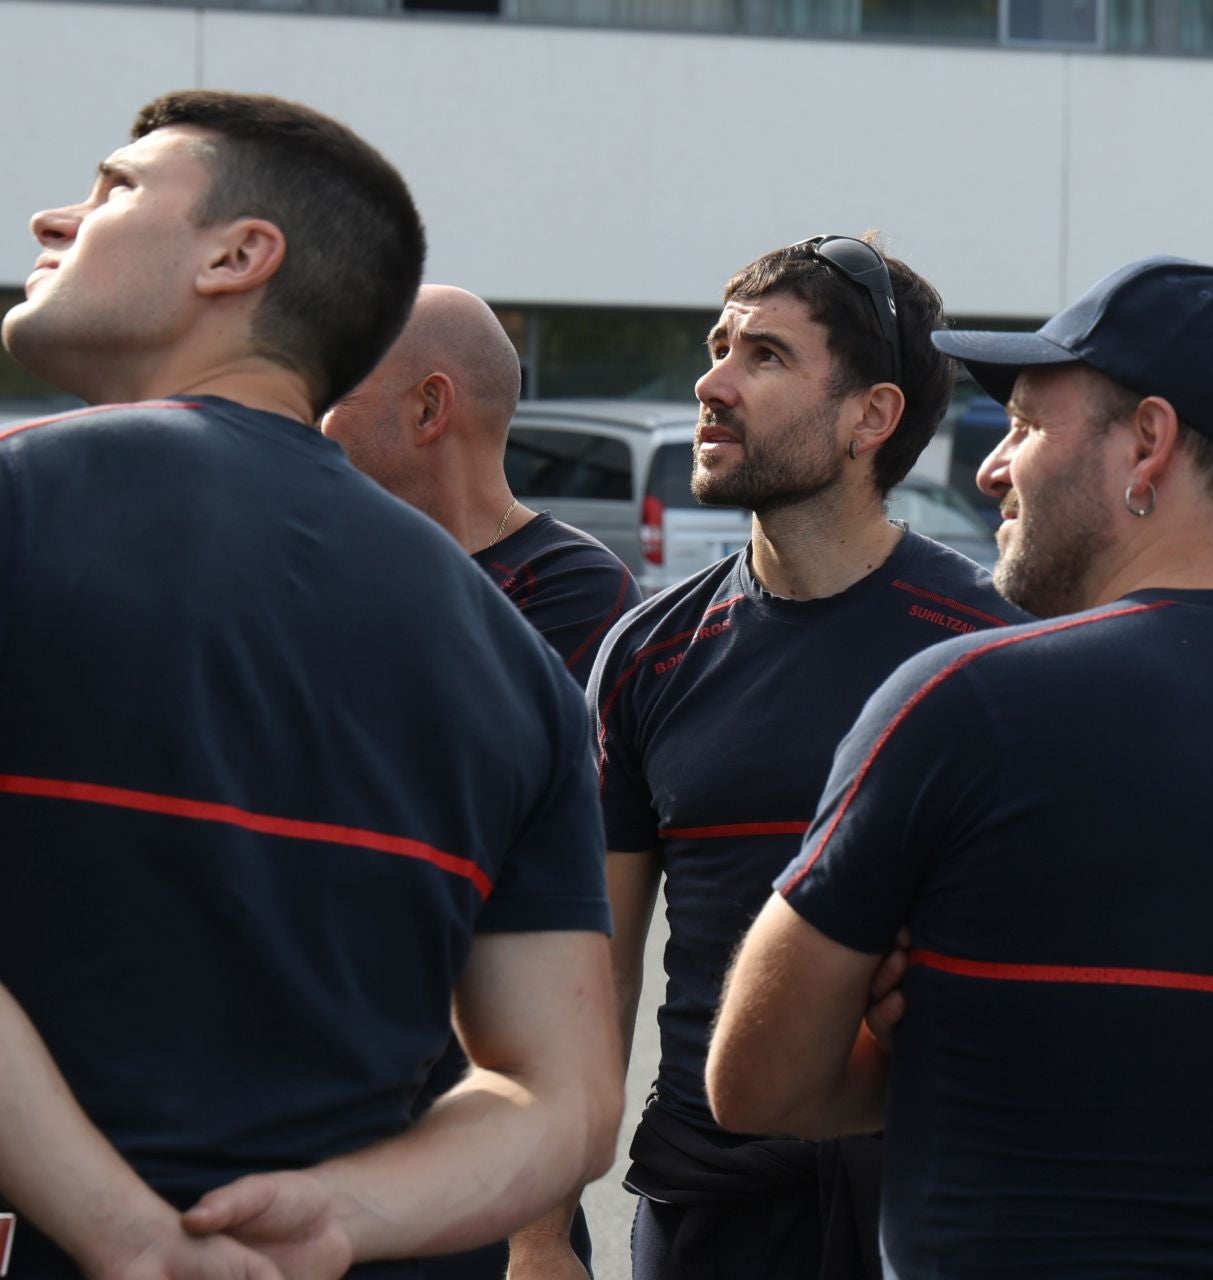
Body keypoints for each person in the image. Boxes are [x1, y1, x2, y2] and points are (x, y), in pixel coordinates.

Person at [704, 255, 1213, 1277]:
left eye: (1028, 426)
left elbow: (753, 1079)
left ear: (1147, 444)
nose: (993, 468)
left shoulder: (963, 704)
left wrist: (929, 1036)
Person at [0, 90, 622, 1278]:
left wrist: (124, 1233)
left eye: (115, 188)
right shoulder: (508, 655)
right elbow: (570, 1098)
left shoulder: (22, 505)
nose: (54, 217)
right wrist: (341, 1214)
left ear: (240, 257)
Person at [509, 234, 1020, 1280]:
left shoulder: (986, 647)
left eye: (765, 356)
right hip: (707, 1208)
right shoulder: (647, 652)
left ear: (869, 418)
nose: (712, 381)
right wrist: (536, 1234)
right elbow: (586, 983)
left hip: (928, 1206)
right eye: (718, 345)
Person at [322, 283, 632, 1276]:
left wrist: (539, 1233)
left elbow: (550, 915)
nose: (311, 411)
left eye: (337, 384)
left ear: (428, 408)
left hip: (477, 1147)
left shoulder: (573, 592)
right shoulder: (333, 563)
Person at [323, 283, 639, 690]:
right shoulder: (341, 561)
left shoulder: (574, 587)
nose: (314, 421)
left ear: (429, 408)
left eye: (337, 397)